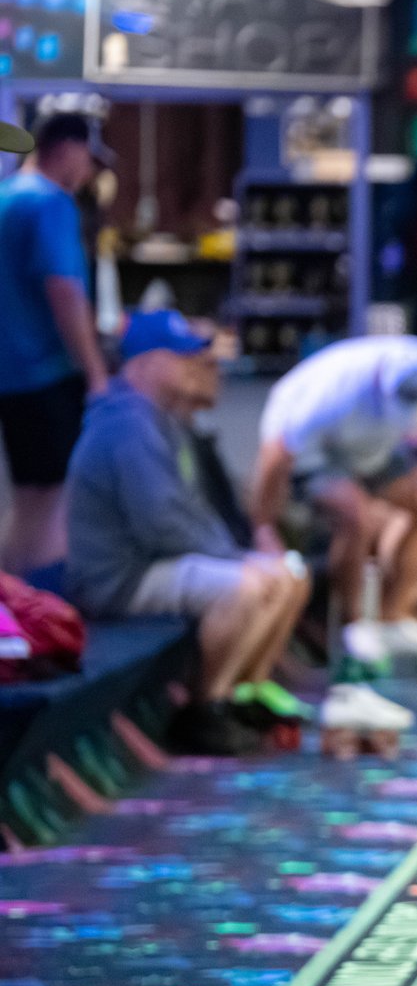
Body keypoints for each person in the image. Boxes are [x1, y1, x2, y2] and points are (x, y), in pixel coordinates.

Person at [63, 312, 315, 754]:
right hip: (117, 579)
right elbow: (160, 523)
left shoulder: (159, 420)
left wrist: (235, 554)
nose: (194, 367)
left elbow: (184, 516)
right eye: (180, 358)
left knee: (282, 574)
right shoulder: (127, 423)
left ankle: (243, 695)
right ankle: (204, 708)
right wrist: (234, 558)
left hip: (149, 564)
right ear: (143, 364)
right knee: (245, 586)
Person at [248, 335, 417, 686]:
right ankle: (356, 628)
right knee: (356, 513)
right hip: (316, 454)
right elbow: (275, 458)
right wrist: (263, 527)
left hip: (373, 451)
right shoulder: (329, 396)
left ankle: (394, 616)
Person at [0, 113, 112, 588]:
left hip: (11, 374)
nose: (88, 174)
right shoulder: (50, 205)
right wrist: (97, 374)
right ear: (68, 149)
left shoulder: (6, 197)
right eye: (88, 160)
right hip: (45, 373)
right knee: (55, 500)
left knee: (29, 499)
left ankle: (15, 610)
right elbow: (64, 291)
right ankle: (47, 621)